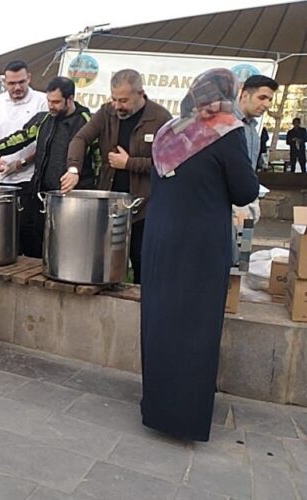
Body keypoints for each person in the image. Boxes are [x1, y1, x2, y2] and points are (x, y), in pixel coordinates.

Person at [141, 68, 259, 441]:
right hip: (199, 245)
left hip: (160, 239)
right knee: (195, 327)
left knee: (160, 323)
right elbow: (244, 191)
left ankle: (156, 407)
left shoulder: (169, 131)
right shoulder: (226, 131)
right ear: (226, 94)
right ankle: (184, 418)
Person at [67, 69, 172, 284]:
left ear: (140, 93)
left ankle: (141, 308)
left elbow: (169, 166)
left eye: (123, 100)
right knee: (105, 263)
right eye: (114, 99)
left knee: (142, 261)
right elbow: (81, 138)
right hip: (110, 203)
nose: (117, 106)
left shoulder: (160, 118)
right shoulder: (107, 113)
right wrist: (73, 169)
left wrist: (129, 163)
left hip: (144, 206)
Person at [0, 76, 97, 257]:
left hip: (74, 198)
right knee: (36, 243)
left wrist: (93, 189)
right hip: (42, 194)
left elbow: (98, 159)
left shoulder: (86, 121)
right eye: (49, 101)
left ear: (70, 99)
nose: (51, 106)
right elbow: (21, 138)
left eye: (56, 102)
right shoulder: (44, 120)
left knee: (67, 249)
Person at [0, 60, 47, 256]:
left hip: (29, 178)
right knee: (3, 233)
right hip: (1, 179)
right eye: (12, 83)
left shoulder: (41, 101)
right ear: (4, 82)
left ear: (29, 78)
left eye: (21, 82)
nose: (17, 87)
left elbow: (44, 142)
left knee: (29, 233)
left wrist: (22, 163)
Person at [237, 75, 278, 171]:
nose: (267, 104)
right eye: (262, 98)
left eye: (270, 100)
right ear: (245, 95)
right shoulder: (225, 124)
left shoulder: (253, 129)